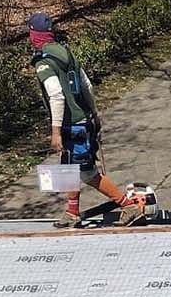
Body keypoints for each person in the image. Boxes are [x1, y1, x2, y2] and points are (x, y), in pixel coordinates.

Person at [29, 13, 139, 224]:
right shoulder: (66, 53)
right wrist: (94, 114)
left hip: (72, 125)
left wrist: (55, 131)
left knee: (87, 173)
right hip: (84, 119)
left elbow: (56, 95)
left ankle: (128, 205)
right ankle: (72, 213)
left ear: (34, 35)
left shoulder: (43, 62)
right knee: (70, 169)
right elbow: (87, 85)